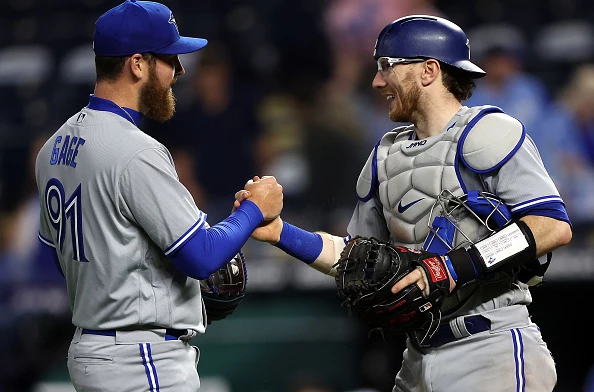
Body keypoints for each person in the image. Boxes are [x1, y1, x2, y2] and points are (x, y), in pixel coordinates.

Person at [236, 15, 572, 392]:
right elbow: (358, 258)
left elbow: (552, 226)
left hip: (490, 346)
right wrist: (281, 232)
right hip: (418, 355)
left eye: (387, 67)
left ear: (429, 70)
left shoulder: (489, 131)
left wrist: (452, 267)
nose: (377, 81)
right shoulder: (384, 155)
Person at [34, 1, 283, 391]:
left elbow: (60, 256)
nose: (179, 71)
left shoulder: (53, 147)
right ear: (137, 63)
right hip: (140, 357)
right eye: (170, 58)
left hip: (91, 349)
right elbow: (201, 255)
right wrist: (255, 210)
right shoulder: (136, 150)